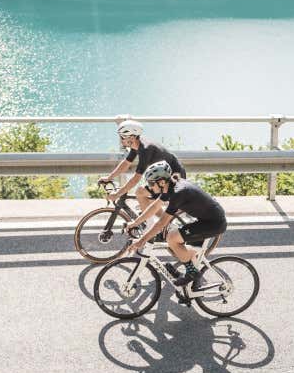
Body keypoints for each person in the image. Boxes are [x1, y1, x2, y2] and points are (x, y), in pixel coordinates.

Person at [125, 161, 227, 292]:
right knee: (181, 247)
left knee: (172, 238)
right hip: (206, 219)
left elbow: (161, 223)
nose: (149, 187)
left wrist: (142, 240)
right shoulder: (169, 186)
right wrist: (135, 222)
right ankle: (192, 286)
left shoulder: (178, 193)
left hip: (213, 223)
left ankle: (192, 273)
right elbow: (154, 206)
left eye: (151, 183)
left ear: (161, 182)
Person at [97, 120, 186, 236]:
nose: (121, 139)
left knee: (141, 193)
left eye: (123, 137)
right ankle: (165, 224)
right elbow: (126, 163)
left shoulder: (145, 149)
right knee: (146, 198)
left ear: (132, 137)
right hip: (163, 177)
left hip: (174, 178)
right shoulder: (137, 145)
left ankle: (152, 227)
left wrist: (118, 194)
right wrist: (109, 177)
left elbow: (136, 178)